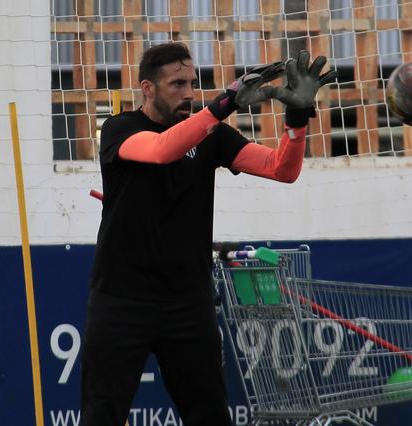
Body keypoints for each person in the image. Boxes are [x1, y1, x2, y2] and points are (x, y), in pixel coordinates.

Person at [81, 42, 336, 426]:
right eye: (176, 84)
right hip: (121, 302)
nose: (188, 93)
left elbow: (282, 169)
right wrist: (224, 104)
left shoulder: (212, 134)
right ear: (147, 89)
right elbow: (163, 150)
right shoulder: (120, 129)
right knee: (101, 415)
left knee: (209, 416)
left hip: (188, 304)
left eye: (192, 83)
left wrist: (297, 119)